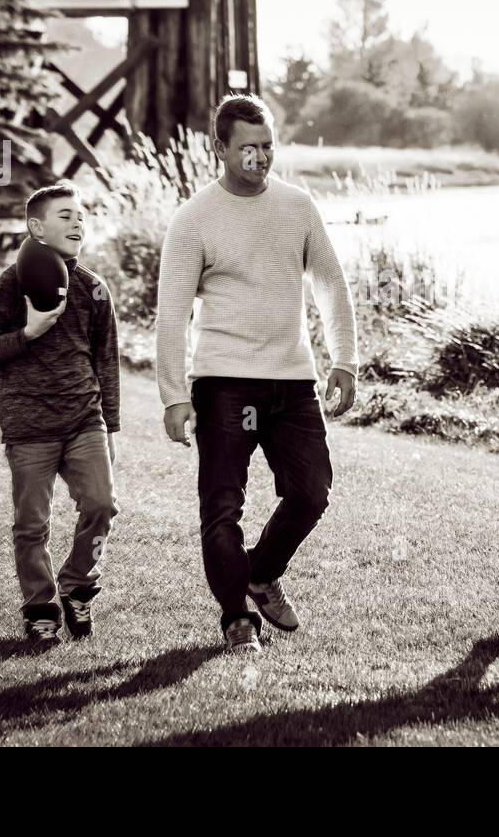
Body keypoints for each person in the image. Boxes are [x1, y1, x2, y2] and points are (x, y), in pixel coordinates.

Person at [155, 93, 359, 654]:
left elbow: (330, 285)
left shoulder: (297, 206)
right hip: (224, 380)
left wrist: (343, 358)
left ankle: (261, 573)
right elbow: (171, 311)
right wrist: (174, 394)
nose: (259, 158)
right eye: (247, 148)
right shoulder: (194, 219)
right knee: (223, 504)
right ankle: (235, 615)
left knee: (311, 492)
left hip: (293, 379)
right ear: (219, 147)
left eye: (268, 146)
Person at [0, 181, 120, 646]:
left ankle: (77, 586)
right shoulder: (12, 284)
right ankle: (40, 607)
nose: (78, 222)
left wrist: (109, 426)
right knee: (31, 525)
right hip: (29, 426)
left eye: (81, 215)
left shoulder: (94, 290)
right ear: (36, 227)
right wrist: (29, 332)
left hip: (83, 419)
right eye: (65, 215)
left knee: (101, 504)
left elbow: (106, 363)